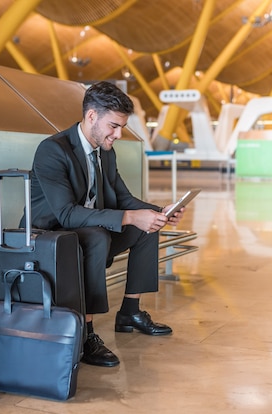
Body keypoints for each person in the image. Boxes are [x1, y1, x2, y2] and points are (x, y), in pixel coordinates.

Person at [22, 81, 186, 368]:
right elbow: (66, 215)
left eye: (121, 127)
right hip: (48, 236)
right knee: (98, 237)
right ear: (91, 117)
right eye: (114, 126)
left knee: (144, 229)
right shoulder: (53, 150)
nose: (118, 134)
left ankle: (130, 313)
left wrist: (158, 212)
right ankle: (86, 335)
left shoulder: (105, 152)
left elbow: (122, 198)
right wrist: (131, 216)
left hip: (86, 230)